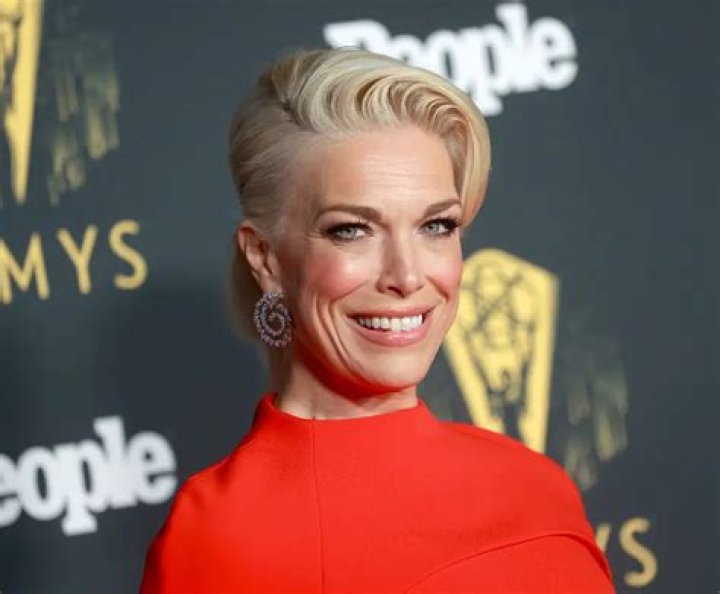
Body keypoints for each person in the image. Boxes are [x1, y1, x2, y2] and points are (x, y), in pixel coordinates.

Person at [139, 47, 615, 593]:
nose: (407, 276)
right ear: (265, 258)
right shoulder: (223, 541)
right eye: (352, 230)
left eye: (436, 226)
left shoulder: (535, 482)